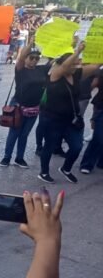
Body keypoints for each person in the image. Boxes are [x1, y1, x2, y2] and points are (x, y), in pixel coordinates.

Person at [39, 42, 100, 184]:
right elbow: (65, 66)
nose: (76, 66)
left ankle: (66, 169)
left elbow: (96, 66)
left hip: (71, 119)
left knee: (77, 146)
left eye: (77, 64)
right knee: (49, 146)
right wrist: (77, 51)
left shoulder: (76, 74)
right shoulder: (55, 74)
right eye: (73, 64)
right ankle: (44, 172)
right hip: (52, 119)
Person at [1, 37, 49, 168]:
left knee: (24, 134)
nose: (34, 60)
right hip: (18, 106)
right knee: (14, 133)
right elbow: (21, 57)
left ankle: (19, 158)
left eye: (37, 58)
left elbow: (56, 62)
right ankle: (6, 157)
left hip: (33, 108)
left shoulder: (41, 69)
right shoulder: (21, 70)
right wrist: (31, 43)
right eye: (31, 57)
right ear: (26, 58)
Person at [79, 70, 103, 175]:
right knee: (99, 137)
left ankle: (101, 162)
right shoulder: (101, 72)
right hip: (101, 106)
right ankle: (87, 164)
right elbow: (92, 85)